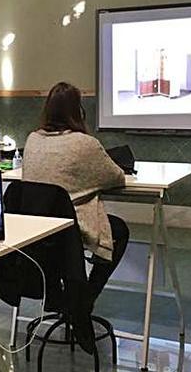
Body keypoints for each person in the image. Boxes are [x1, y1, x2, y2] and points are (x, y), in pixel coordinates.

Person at [22, 82, 130, 303]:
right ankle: (85, 300)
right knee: (119, 231)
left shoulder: (32, 139)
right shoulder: (84, 143)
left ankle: (60, 296)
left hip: (35, 226)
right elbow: (115, 177)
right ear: (78, 111)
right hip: (70, 226)